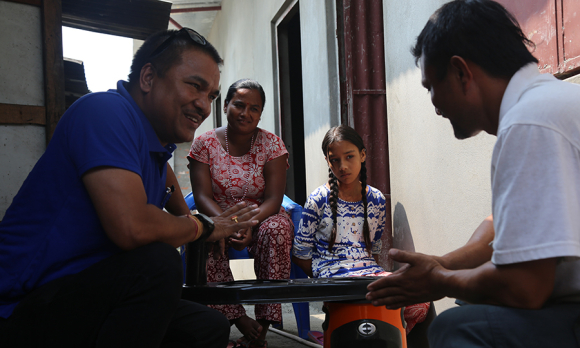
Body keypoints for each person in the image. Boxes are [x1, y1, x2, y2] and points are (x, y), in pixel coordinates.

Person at [0, 28, 261, 348]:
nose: (204, 105)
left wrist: (196, 217)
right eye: (195, 85)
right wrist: (201, 225)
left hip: (85, 299)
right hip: (22, 308)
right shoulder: (105, 112)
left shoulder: (151, 143)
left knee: (207, 326)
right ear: (148, 77)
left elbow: (163, 172)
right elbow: (131, 226)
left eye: (211, 95)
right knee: (158, 265)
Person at [365, 1, 580, 347]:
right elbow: (502, 223)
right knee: (474, 299)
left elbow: (525, 288)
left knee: (456, 326)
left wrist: (439, 280)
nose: (434, 105)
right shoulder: (547, 103)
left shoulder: (529, 124)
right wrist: (442, 264)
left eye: (431, 86)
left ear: (461, 72)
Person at [292, 125, 429, 335]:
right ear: (328, 161)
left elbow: (373, 248)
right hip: (333, 278)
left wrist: (369, 272)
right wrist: (325, 279)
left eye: (349, 157)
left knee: (420, 299)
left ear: (363, 155)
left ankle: (392, 338)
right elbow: (300, 253)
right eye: (335, 160)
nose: (343, 166)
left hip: (368, 274)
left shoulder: (376, 199)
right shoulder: (318, 199)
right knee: (358, 312)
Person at [188, 78, 293, 348]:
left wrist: (248, 222)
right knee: (205, 233)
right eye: (239, 105)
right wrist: (227, 224)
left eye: (254, 108)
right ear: (225, 106)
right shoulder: (204, 144)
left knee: (279, 229)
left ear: (260, 113)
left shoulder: (272, 145)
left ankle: (263, 327)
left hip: (262, 217)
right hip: (218, 215)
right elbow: (201, 196)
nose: (246, 113)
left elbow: (273, 198)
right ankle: (239, 320)